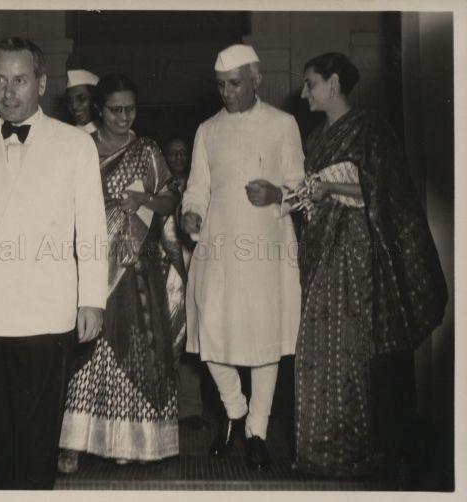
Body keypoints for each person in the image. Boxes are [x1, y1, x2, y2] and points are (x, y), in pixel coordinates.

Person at [0, 37, 108, 490]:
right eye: (0, 80)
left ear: (41, 83)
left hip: (45, 314)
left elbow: (92, 232)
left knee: (38, 444)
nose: (8, 92)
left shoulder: (74, 146)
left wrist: (92, 301)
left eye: (19, 80)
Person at [292, 52, 447, 477]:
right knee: (317, 346)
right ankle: (321, 452)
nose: (304, 91)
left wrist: (329, 188)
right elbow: (310, 194)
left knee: (353, 348)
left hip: (358, 250)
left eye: (310, 83)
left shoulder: (371, 129)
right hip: (320, 251)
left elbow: (383, 188)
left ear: (334, 83)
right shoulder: (315, 138)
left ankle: (360, 453)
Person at [181, 44, 304, 470]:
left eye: (234, 84)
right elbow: (197, 186)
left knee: (265, 338)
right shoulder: (206, 130)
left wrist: (277, 194)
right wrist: (191, 212)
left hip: (266, 248)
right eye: (220, 85)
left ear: (256, 81)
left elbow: (300, 187)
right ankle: (234, 409)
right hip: (218, 247)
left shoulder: (282, 124)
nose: (226, 93)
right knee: (211, 333)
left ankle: (257, 430)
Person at [58, 74, 185, 473]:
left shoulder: (147, 149)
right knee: (85, 352)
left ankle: (130, 439)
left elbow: (168, 199)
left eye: (131, 109)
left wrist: (143, 199)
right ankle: (72, 442)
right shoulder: (81, 147)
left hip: (136, 268)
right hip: (91, 265)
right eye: (116, 110)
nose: (124, 117)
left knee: (134, 350)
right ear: (100, 110)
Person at [164, 137, 206, 430]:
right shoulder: (157, 185)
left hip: (194, 271)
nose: (178, 157)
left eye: (183, 153)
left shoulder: (199, 188)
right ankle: (163, 408)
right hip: (164, 275)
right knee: (166, 340)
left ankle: (190, 411)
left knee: (192, 341)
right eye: (172, 153)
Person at [66, 69, 99, 134]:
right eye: (70, 101)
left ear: (95, 99)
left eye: (82, 98)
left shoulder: (110, 133)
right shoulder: (68, 134)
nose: (74, 106)